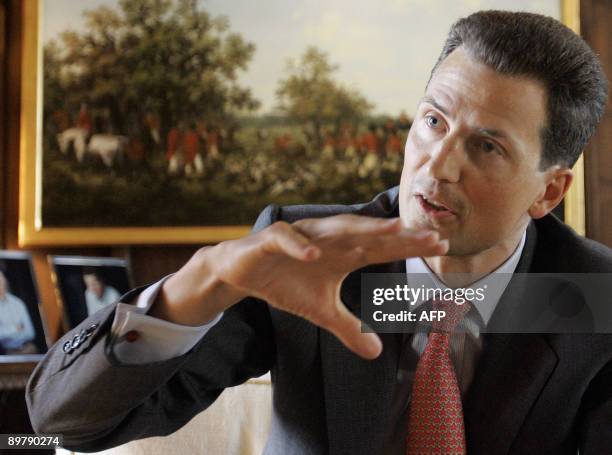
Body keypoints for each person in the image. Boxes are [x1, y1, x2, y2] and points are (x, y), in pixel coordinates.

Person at [27, 11, 611, 454]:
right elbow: (69, 421)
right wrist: (203, 278)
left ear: (548, 192)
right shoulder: (304, 250)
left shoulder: (591, 293)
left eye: (486, 146)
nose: (437, 166)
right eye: (433, 121)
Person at [0, 270, 37, 354]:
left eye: (1, 279)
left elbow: (30, 333)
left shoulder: (18, 303)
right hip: (6, 351)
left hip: (26, 347)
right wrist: (15, 328)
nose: (0, 283)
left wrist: (7, 331)